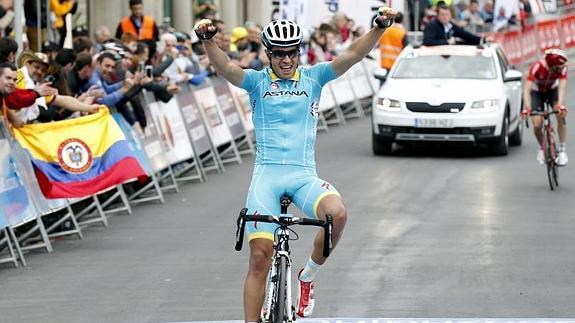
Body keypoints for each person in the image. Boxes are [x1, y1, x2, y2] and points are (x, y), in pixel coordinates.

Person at [194, 7, 397, 321]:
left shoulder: (314, 77)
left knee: (338, 215)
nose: (286, 60)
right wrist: (208, 42)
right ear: (268, 54)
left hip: (303, 176)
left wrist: (379, 29)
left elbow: (354, 53)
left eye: (291, 54)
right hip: (267, 176)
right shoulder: (257, 82)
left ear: (299, 52)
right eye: (279, 55)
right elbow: (226, 68)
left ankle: (308, 276)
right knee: (260, 257)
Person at [521, 48, 569, 166]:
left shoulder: (562, 68)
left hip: (552, 90)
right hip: (537, 93)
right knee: (537, 124)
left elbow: (562, 88)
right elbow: (526, 90)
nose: (562, 69)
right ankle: (543, 147)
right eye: (559, 67)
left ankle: (562, 149)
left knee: (560, 114)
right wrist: (527, 108)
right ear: (552, 66)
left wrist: (560, 105)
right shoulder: (537, 67)